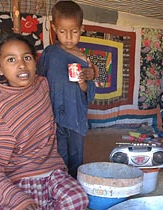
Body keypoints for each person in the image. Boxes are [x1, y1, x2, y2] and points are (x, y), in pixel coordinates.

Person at [0, 32, 89, 210]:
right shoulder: (0, 110)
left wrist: (90, 75)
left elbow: (68, 67)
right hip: (19, 177)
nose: (21, 65)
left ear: (35, 61)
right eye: (11, 60)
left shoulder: (43, 85)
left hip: (51, 171)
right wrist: (16, 200)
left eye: (27, 57)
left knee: (79, 199)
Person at [37, 1, 98, 179]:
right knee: (58, 155)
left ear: (82, 28)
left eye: (74, 31)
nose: (69, 37)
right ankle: (60, 185)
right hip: (53, 116)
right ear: (54, 28)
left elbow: (90, 92)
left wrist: (83, 82)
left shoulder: (86, 59)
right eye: (63, 31)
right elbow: (39, 80)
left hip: (75, 115)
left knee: (76, 156)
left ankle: (75, 187)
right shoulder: (49, 54)